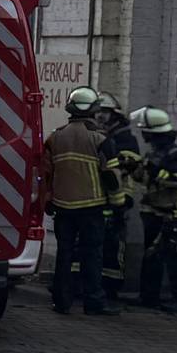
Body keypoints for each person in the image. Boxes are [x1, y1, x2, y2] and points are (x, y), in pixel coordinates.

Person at [42, 87, 117, 315]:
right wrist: (117, 201)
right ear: (94, 110)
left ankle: (61, 302)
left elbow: (46, 174)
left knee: (64, 255)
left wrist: (48, 200)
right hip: (91, 207)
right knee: (91, 255)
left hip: (62, 206)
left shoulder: (54, 138)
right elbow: (111, 176)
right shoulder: (100, 139)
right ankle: (93, 302)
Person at [132, 106, 177, 313]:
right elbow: (144, 179)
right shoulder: (153, 153)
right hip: (152, 211)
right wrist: (135, 168)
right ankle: (148, 297)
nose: (143, 135)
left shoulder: (174, 155)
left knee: (174, 258)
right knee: (151, 256)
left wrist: (158, 173)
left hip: (171, 215)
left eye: (145, 131)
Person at [93, 92, 142, 302]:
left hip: (119, 200)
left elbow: (128, 168)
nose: (100, 117)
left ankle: (110, 289)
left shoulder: (125, 139)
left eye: (105, 112)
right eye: (98, 112)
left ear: (114, 115)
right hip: (95, 199)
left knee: (113, 246)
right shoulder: (95, 136)